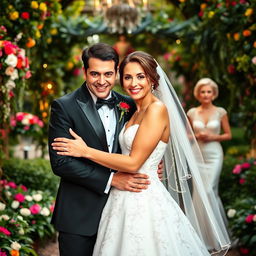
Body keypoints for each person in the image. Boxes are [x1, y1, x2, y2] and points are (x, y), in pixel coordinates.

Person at [52, 51, 231, 255]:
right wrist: (121, 175)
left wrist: (85, 151)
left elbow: (135, 161)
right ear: (85, 72)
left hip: (141, 199)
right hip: (89, 209)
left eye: (140, 76)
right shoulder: (128, 108)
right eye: (128, 77)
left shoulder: (147, 108)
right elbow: (61, 163)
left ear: (152, 79)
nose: (133, 83)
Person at [48, 43, 161, 256]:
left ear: (117, 72)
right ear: (85, 72)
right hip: (79, 215)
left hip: (123, 213)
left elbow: (137, 146)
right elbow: (61, 163)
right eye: (95, 74)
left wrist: (150, 165)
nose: (102, 81)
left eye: (108, 74)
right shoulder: (64, 106)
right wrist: (111, 180)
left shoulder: (128, 104)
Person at [187, 78, 232, 227]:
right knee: (199, 192)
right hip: (197, 154)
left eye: (209, 92)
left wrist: (213, 137)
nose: (206, 94)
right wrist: (196, 136)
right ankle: (202, 233)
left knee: (209, 190)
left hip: (214, 155)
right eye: (203, 91)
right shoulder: (192, 113)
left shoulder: (220, 112)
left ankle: (217, 231)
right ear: (198, 94)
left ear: (213, 94)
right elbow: (186, 135)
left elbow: (228, 134)